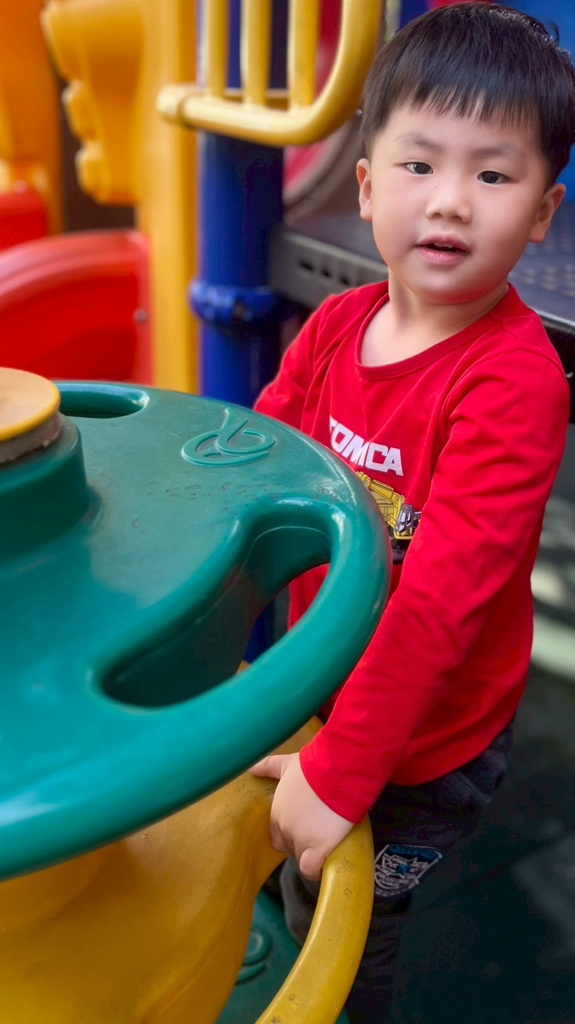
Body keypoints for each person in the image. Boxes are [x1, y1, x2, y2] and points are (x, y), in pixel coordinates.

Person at [250, 4, 575, 1020]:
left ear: (542, 212)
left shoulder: (510, 382)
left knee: (351, 926)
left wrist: (341, 770)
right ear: (364, 186)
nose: (449, 201)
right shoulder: (335, 325)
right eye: (419, 164)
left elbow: (438, 606)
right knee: (275, 875)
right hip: (327, 684)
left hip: (427, 745)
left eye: (492, 176)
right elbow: (260, 475)